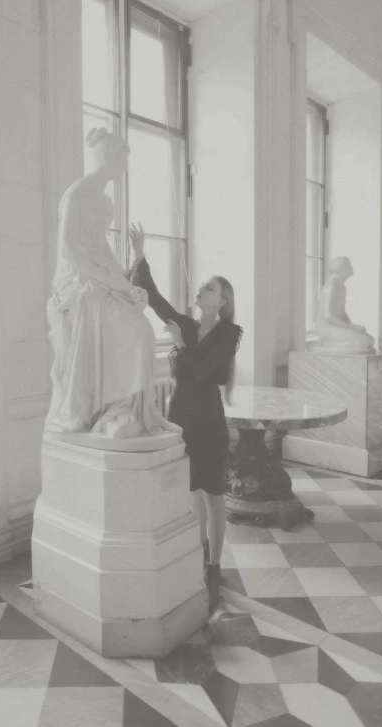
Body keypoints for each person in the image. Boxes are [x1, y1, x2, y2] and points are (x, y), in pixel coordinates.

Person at [129, 223, 242, 612]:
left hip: (208, 417)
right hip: (180, 415)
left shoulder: (229, 333)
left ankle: (214, 563)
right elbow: (156, 300)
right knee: (191, 489)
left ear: (222, 301)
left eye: (209, 288)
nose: (200, 290)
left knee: (214, 495)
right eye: (202, 287)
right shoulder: (190, 325)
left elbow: (207, 373)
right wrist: (140, 255)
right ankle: (200, 548)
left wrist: (179, 345)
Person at [44, 129, 179, 439]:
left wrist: (130, 283)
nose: (125, 165)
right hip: (74, 280)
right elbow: (68, 250)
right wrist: (112, 282)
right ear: (107, 157)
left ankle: (141, 412)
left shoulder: (103, 199)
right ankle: (111, 412)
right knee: (125, 324)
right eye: (122, 158)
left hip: (97, 272)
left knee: (141, 327)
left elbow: (102, 249)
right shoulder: (77, 193)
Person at [315, 256, 374, 351]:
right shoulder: (331, 286)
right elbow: (328, 315)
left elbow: (342, 313)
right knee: (363, 341)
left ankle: (336, 343)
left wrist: (354, 327)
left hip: (337, 326)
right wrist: (351, 327)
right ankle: (328, 344)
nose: (352, 267)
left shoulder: (342, 287)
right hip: (326, 328)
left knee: (370, 340)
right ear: (341, 268)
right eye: (349, 265)